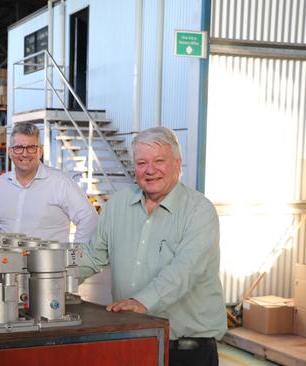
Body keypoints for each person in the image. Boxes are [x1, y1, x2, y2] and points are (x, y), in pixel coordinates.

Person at [80, 127, 226, 366]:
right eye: (141, 162)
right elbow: (92, 256)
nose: (150, 170)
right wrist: (51, 281)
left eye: (159, 161)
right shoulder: (117, 205)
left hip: (187, 350)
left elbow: (184, 271)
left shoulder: (200, 211)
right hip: (132, 339)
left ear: (178, 164)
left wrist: (141, 303)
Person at [0, 122, 98, 244]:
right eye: (18, 148)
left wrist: (76, 253)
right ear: (10, 152)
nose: (25, 153)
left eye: (31, 148)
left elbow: (89, 219)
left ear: (40, 151)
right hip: (5, 261)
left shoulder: (60, 183)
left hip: (49, 262)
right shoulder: (0, 185)